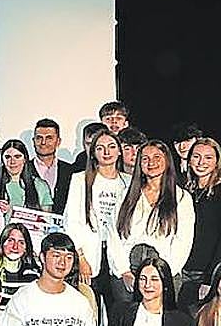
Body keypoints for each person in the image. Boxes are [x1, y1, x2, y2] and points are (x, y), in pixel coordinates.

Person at [106, 140, 195, 307]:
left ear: (167, 160)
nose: (151, 162)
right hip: (127, 271)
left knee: (161, 320)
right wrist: (123, 271)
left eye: (157, 157)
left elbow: (183, 241)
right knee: (126, 319)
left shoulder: (182, 198)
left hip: (164, 270)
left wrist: (160, 275)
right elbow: (113, 235)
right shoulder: (125, 195)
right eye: (145, 158)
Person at [65, 128, 129, 298]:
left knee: (120, 307)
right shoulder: (80, 179)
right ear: (93, 153)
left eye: (112, 146)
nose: (106, 152)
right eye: (100, 148)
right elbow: (71, 221)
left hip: (120, 256)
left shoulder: (129, 182)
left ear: (119, 151)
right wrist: (80, 258)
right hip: (89, 254)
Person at [180, 136, 221, 313]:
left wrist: (210, 278)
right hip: (181, 268)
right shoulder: (183, 191)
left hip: (207, 272)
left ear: (217, 162)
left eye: (208, 157)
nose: (201, 162)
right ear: (189, 160)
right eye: (196, 156)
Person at [0, 222, 42, 308]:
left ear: (26, 248)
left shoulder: (32, 274)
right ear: (2, 243)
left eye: (21, 242)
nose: (15, 247)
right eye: (10, 241)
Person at [0, 139, 53, 212]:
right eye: (7, 157)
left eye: (17, 157)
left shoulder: (40, 185)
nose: (12, 161)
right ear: (2, 160)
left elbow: (47, 216)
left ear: (25, 159)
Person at [31, 118, 74, 214]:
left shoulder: (70, 171)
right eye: (39, 138)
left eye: (49, 138)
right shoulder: (23, 169)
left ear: (58, 141)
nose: (43, 142)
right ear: (33, 141)